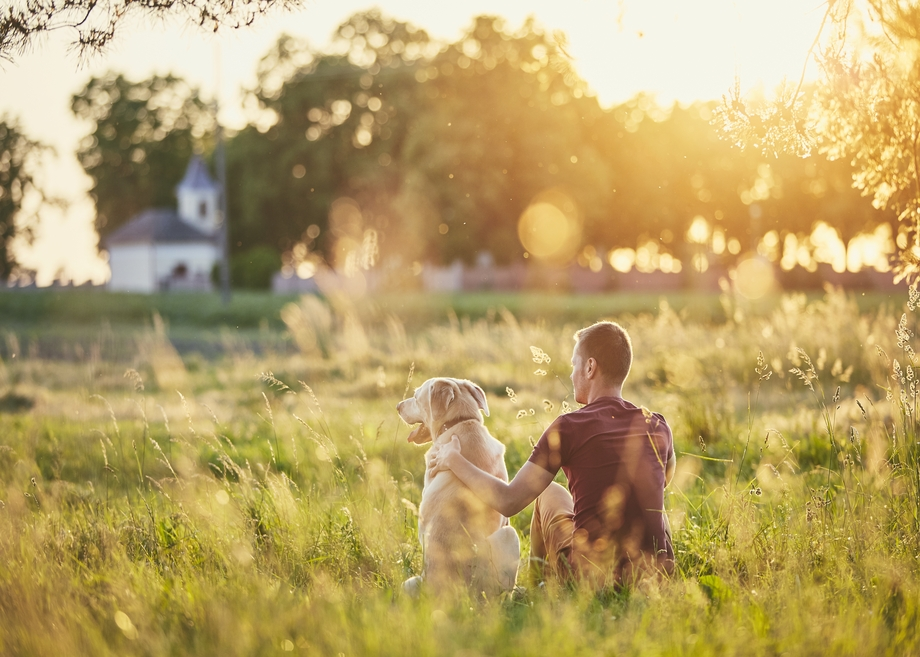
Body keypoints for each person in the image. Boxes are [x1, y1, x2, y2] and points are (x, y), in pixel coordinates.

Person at [427, 320, 676, 588]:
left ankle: (538, 590)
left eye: (574, 364)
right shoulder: (657, 424)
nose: (571, 374)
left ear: (590, 367)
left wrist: (453, 459)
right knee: (655, 507)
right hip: (656, 576)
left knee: (546, 493)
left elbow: (508, 501)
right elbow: (664, 481)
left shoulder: (569, 427)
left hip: (593, 577)